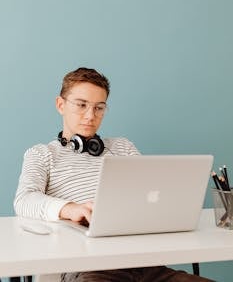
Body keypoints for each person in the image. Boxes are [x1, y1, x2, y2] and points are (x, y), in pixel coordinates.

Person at [14, 67, 215, 282]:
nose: (90, 116)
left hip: (145, 264)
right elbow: (24, 200)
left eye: (99, 108)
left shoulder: (123, 147)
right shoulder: (42, 154)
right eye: (81, 105)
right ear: (60, 105)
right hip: (88, 268)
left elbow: (152, 194)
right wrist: (69, 209)